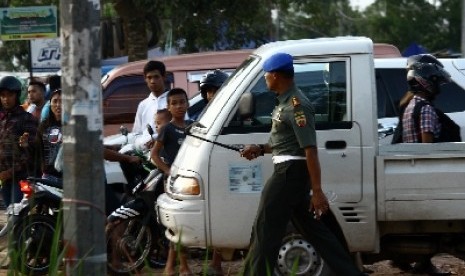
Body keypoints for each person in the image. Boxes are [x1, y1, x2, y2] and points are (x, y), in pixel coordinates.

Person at [239, 53, 365, 275]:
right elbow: (285, 143)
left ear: (275, 75)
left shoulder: (297, 105)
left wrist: (317, 191)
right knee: (317, 232)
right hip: (290, 173)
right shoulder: (285, 102)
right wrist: (259, 149)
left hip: (288, 175)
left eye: (266, 75)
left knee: (265, 230)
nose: (265, 79)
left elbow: (310, 149)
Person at [150, 88, 192, 276]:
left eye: (182, 102)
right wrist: (168, 171)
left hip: (190, 183)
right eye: (174, 103)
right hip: (174, 183)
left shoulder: (193, 126)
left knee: (183, 224)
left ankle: (171, 266)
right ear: (168, 107)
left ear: (187, 103)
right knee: (177, 224)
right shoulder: (167, 129)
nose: (179, 106)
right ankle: (182, 267)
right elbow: (154, 154)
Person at [199, 69, 229, 275]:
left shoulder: (231, 111)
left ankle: (217, 262)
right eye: (208, 92)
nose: (211, 95)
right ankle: (215, 263)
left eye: (215, 90)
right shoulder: (205, 116)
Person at [0, 76, 38, 207]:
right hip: (4, 179)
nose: (6, 99)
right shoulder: (2, 119)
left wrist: (9, 172)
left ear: (17, 95)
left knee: (18, 217)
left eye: (10, 95)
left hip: (21, 179)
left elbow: (30, 153)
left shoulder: (26, 119)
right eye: (3, 95)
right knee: (11, 216)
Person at [132, 60, 169, 137]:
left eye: (156, 77)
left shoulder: (174, 102)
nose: (152, 81)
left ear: (164, 76)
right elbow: (137, 133)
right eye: (149, 77)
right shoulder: (143, 105)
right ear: (145, 79)